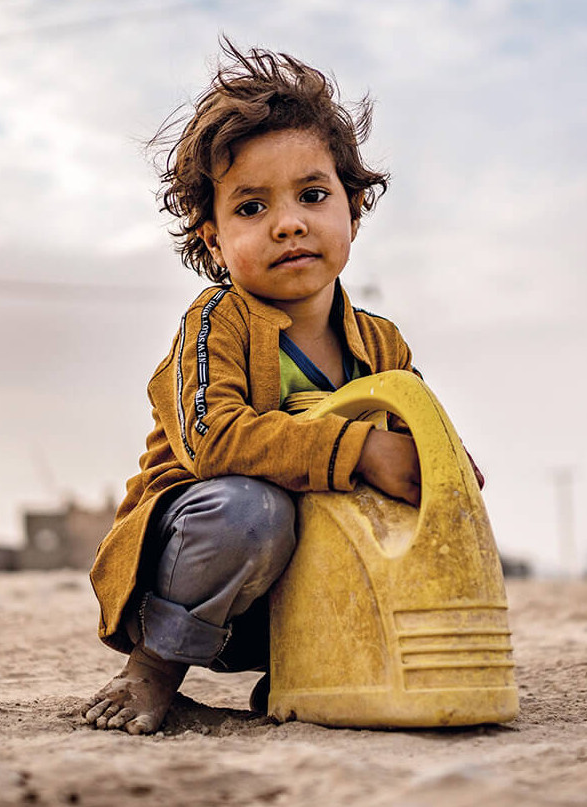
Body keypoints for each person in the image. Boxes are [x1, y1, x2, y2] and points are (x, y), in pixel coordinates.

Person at [82, 40, 482, 735]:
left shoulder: (379, 341)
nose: (288, 221)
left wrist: (441, 466)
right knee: (251, 507)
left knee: (395, 515)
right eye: (251, 207)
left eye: (312, 195)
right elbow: (213, 439)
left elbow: (414, 436)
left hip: (304, 585)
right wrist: (358, 449)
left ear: (353, 211)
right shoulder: (217, 322)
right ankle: (152, 669)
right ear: (211, 241)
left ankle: (310, 669)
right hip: (206, 558)